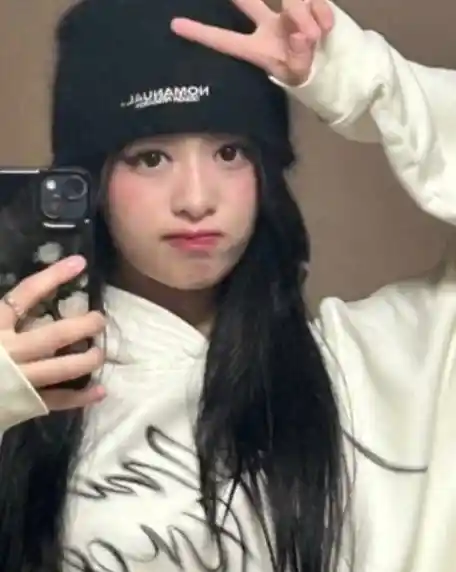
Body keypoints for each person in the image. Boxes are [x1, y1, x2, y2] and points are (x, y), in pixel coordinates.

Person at [0, 1, 455, 572]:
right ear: (88, 182)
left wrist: (362, 79)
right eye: (150, 158)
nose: (196, 199)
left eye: (229, 152)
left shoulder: (381, 367)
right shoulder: (28, 389)